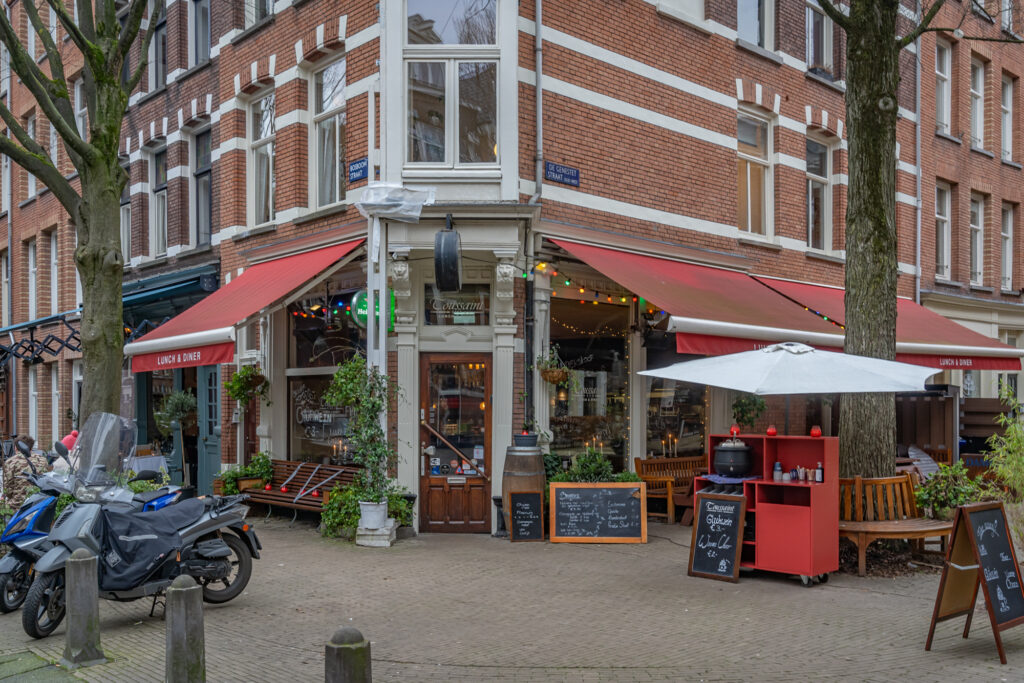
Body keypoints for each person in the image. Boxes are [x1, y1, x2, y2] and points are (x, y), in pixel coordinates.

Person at [2, 436, 50, 510]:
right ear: (31, 447)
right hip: (38, 503)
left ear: (15, 448)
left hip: (17, 505)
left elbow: (8, 490)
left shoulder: (11, 462)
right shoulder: (43, 460)